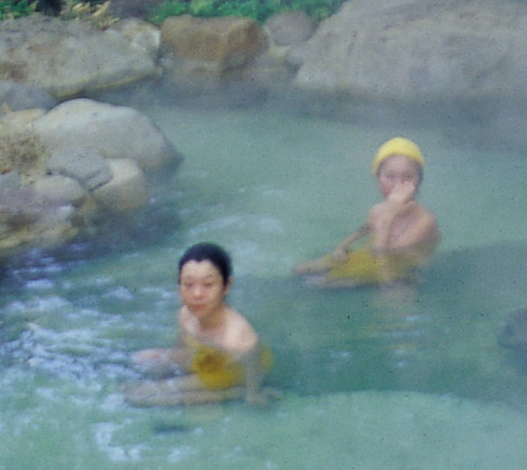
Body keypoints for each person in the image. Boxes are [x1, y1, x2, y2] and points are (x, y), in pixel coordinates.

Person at [128, 242, 274, 406]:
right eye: (188, 284)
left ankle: (232, 393)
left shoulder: (237, 336)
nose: (197, 294)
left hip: (232, 369)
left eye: (208, 285)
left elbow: (254, 365)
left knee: (139, 396)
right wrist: (173, 369)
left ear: (226, 286)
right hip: (204, 356)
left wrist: (253, 394)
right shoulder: (185, 314)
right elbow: (183, 343)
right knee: (140, 359)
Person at [293, 137, 441, 287]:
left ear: (419, 181)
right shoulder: (377, 210)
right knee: (300, 270)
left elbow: (383, 255)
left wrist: (390, 212)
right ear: (378, 178)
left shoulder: (424, 221)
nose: (398, 184)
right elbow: (364, 230)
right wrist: (341, 247)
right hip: (370, 256)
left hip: (396, 270)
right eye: (390, 176)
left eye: (408, 177)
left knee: (320, 285)